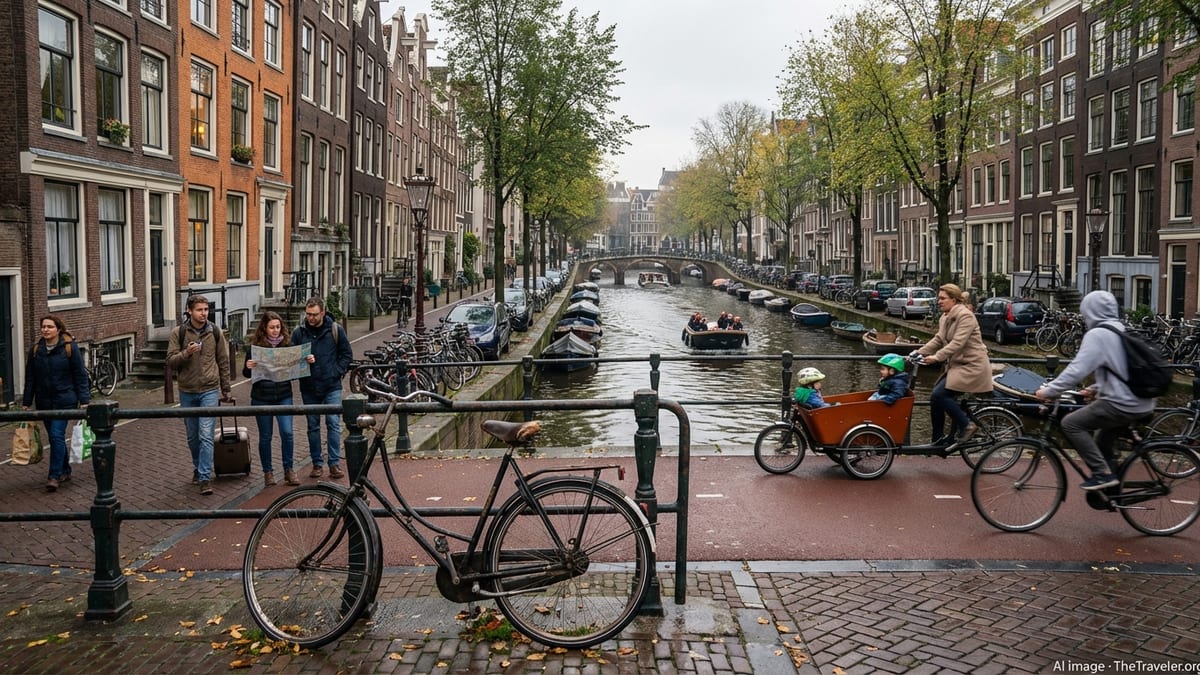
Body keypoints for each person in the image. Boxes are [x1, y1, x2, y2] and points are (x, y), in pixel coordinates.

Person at [1036, 290, 1156, 490]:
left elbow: (1077, 370)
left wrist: (1049, 390)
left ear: (1090, 311)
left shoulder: (1098, 334)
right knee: (1102, 438)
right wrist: (1094, 388)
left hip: (1122, 403)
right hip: (1142, 400)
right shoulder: (1120, 328)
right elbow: (1121, 370)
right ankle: (1113, 484)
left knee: (1071, 423)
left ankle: (1103, 474)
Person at [167, 294, 233, 495]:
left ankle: (205, 477)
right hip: (187, 390)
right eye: (199, 310)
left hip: (209, 390)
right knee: (192, 437)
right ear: (189, 310)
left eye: (206, 310)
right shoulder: (178, 333)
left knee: (206, 435)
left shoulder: (214, 331)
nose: (204, 314)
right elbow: (170, 361)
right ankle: (198, 467)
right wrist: (186, 353)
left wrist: (226, 388)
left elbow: (223, 359)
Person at [912, 283, 992, 445]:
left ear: (954, 300)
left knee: (939, 395)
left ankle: (967, 425)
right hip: (958, 365)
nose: (939, 301)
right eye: (938, 298)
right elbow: (938, 339)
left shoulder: (966, 316)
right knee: (935, 398)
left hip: (972, 366)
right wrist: (919, 352)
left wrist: (936, 357)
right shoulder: (945, 317)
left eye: (942, 298)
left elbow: (958, 343)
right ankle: (938, 440)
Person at [21, 315, 90, 492]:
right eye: (43, 326)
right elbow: (31, 378)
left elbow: (80, 375)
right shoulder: (36, 350)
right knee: (54, 437)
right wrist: (27, 402)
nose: (45, 330)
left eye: (49, 327)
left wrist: (84, 400)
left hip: (65, 399)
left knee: (57, 434)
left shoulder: (69, 348)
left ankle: (54, 476)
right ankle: (65, 469)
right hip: (44, 401)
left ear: (58, 329)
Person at [292, 296, 354, 480]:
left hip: (331, 385)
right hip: (309, 386)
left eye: (314, 315)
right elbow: (291, 358)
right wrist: (302, 361)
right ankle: (317, 464)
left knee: (333, 423)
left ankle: (334, 463)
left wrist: (336, 371)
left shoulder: (335, 330)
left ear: (323, 313)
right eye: (308, 314)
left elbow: (346, 354)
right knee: (312, 426)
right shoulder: (299, 333)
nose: (311, 318)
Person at [242, 311, 299, 487]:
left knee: (287, 433)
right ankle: (268, 472)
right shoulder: (255, 348)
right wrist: (248, 366)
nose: (275, 331)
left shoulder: (288, 345)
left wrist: (306, 361)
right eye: (272, 327)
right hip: (262, 397)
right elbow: (246, 373)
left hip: (283, 395)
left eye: (278, 327)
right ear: (264, 329)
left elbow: (296, 369)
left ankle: (289, 470)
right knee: (265, 436)